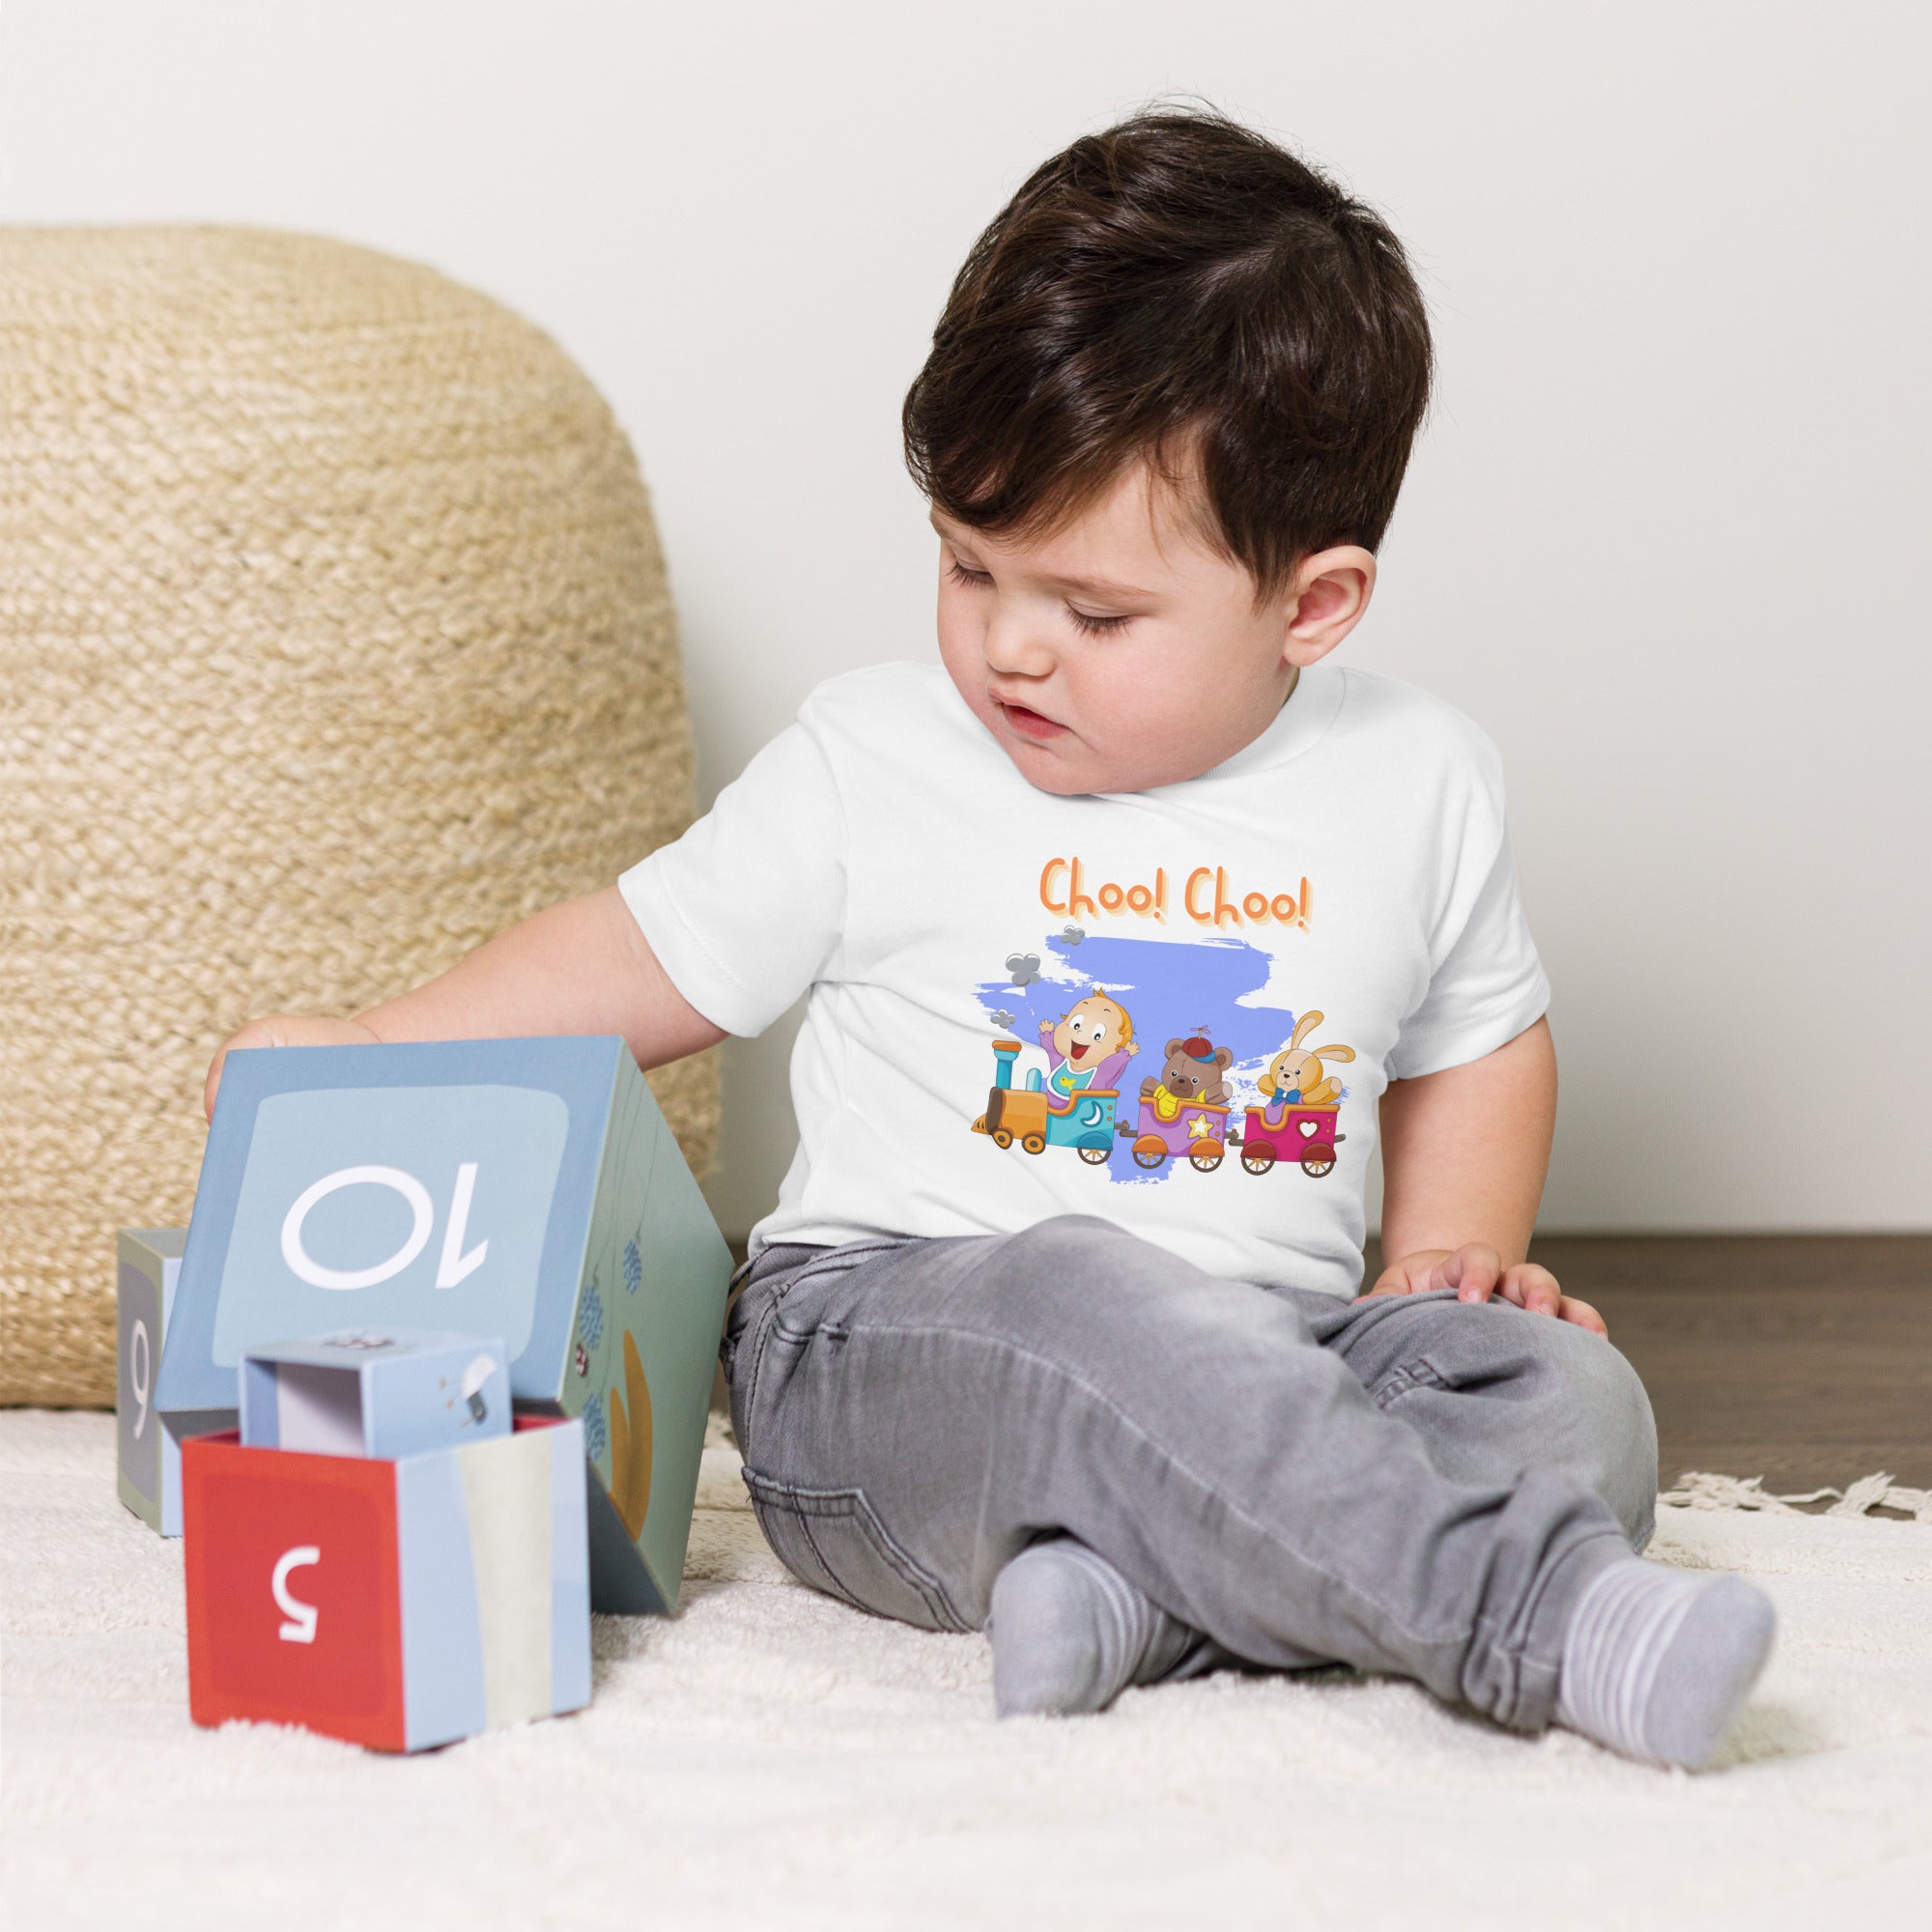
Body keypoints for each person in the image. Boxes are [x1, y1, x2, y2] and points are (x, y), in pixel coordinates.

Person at [207, 110, 1774, 1769]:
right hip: (894, 1348)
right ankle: (1518, 1617)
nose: (1011, 648)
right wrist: (376, 1051)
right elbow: (638, 956)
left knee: (1571, 1400)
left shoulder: (1418, 777)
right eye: (968, 566)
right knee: (1083, 1293)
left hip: (1282, 1348)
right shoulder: (871, 761)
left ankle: (1141, 1605)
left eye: (1094, 614)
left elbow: (1479, 1034)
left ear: (1311, 605)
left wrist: (1442, 1259)